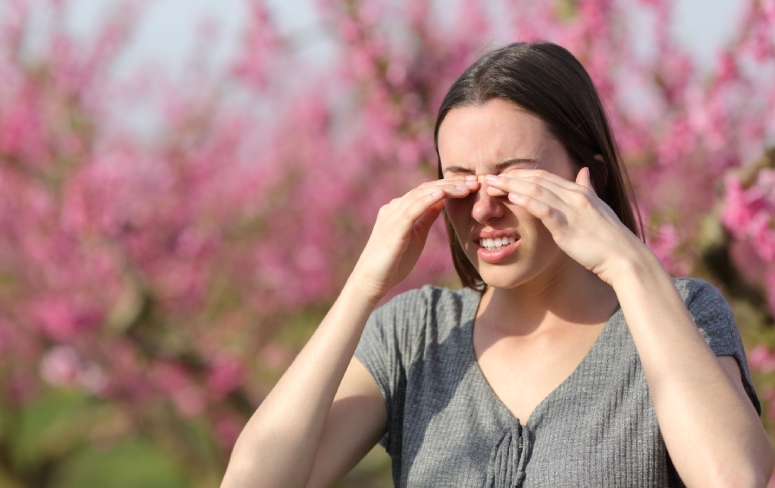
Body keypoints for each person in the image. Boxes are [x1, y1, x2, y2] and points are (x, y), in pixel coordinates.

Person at [221, 42, 774, 487]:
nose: (484, 208)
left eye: (513, 178)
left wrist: (629, 266)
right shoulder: (414, 336)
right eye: (461, 181)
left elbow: (735, 477)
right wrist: (363, 287)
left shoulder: (681, 314)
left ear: (590, 178)